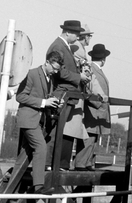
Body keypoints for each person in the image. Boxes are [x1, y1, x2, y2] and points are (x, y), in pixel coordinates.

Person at [13, 51, 64, 193]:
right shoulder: (31, 74)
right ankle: (38, 186)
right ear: (47, 62)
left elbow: (46, 98)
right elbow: (20, 97)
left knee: (23, 158)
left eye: (57, 70)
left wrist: (54, 103)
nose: (55, 71)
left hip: (37, 121)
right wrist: (43, 102)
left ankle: (10, 193)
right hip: (28, 120)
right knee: (41, 147)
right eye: (54, 68)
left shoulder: (50, 79)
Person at [45, 20, 90, 170]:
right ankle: (49, 164)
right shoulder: (59, 46)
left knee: (57, 129)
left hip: (67, 93)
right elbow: (59, 70)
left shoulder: (63, 46)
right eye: (76, 34)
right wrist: (79, 77)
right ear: (68, 32)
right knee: (54, 129)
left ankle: (51, 164)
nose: (77, 37)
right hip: (62, 93)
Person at [74, 44, 111, 171]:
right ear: (103, 59)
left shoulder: (96, 70)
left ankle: (87, 162)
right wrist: (99, 103)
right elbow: (89, 90)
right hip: (93, 110)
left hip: (97, 110)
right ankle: (81, 163)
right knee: (88, 137)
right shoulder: (91, 69)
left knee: (93, 138)